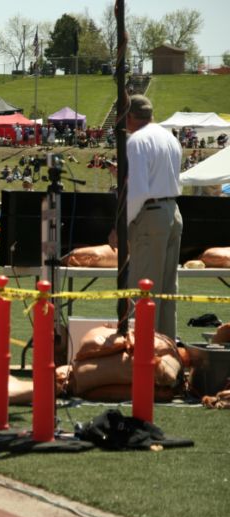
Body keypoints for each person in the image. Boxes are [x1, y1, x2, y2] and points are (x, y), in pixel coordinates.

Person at [110, 94, 183, 339]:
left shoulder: (136, 141)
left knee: (142, 288)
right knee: (166, 290)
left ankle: (139, 354)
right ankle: (166, 351)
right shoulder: (170, 138)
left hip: (150, 217)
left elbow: (138, 191)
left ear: (129, 117)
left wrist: (120, 227)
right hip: (172, 211)